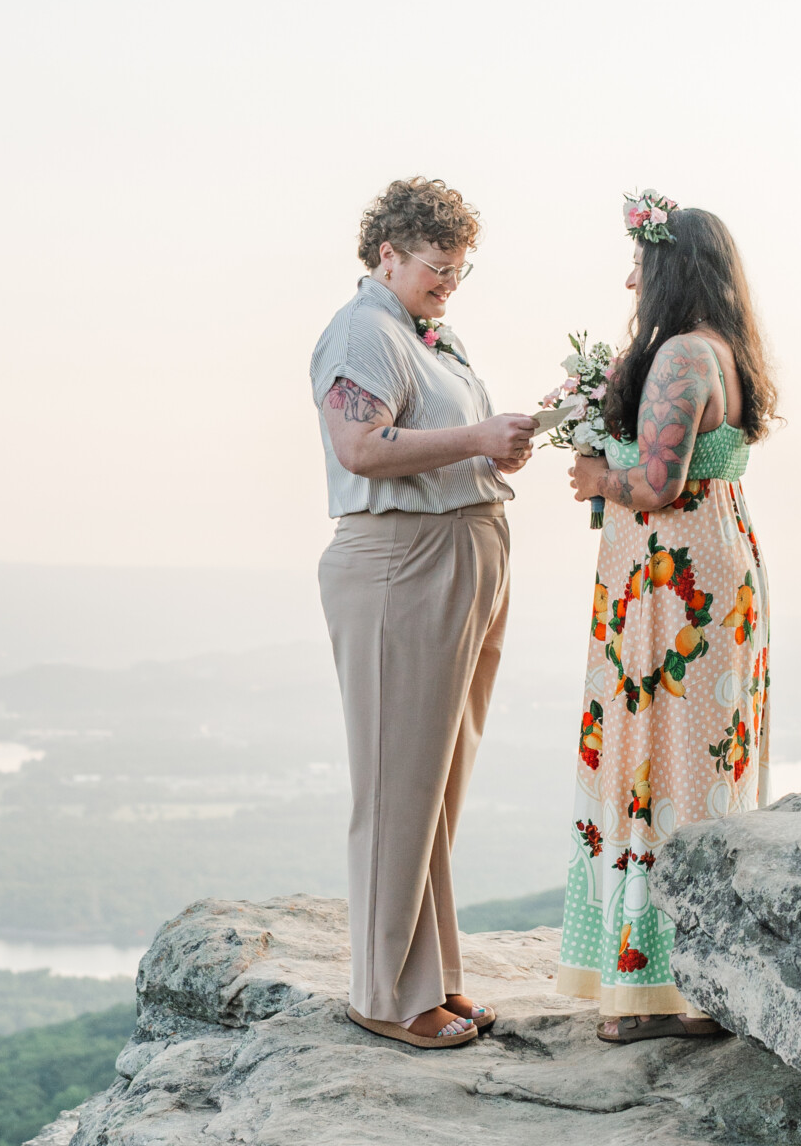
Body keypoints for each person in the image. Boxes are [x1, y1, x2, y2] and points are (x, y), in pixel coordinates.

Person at [311, 177, 536, 1052]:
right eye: (436, 268)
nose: (448, 283)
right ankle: (382, 992)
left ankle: (430, 976)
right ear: (386, 256)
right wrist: (479, 441)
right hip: (402, 561)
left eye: (458, 271)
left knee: (437, 785)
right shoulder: (361, 331)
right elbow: (359, 446)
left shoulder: (426, 334)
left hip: (461, 553)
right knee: (397, 781)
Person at [556, 195, 775, 1042]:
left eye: (639, 264)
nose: (628, 279)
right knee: (699, 754)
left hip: (670, 579)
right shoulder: (720, 348)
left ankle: (651, 990)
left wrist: (592, 477)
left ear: (669, 269)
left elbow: (656, 484)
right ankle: (691, 973)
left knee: (660, 758)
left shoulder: (683, 356)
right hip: (706, 564)